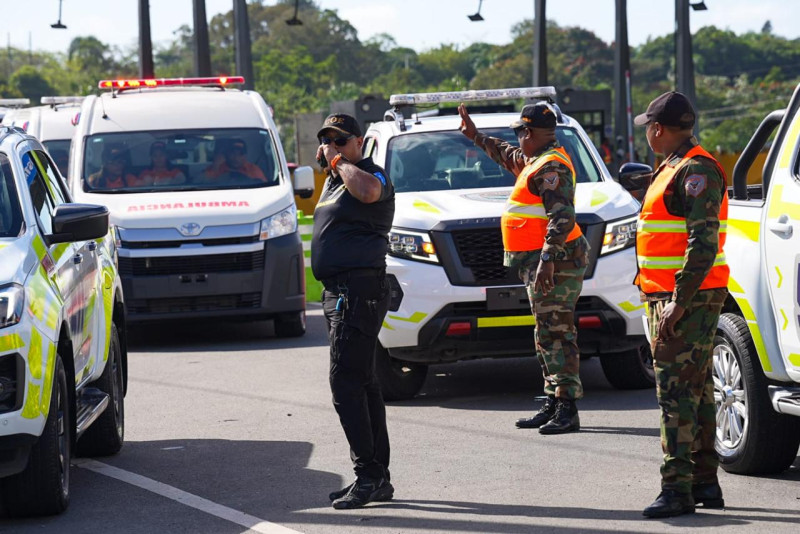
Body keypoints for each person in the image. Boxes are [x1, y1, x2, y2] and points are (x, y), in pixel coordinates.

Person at [458, 102, 588, 435]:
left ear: (529, 133)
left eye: (519, 134)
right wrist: (475, 136)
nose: (517, 141)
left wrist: (546, 261)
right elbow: (505, 154)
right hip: (541, 263)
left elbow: (562, 217)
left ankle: (566, 407)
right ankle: (553, 400)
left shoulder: (551, 167)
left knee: (558, 334)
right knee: (546, 334)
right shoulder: (535, 161)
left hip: (555, 263)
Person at [633, 91, 729, 518]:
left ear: (658, 129)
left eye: (648, 128)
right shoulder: (674, 166)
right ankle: (704, 482)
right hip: (676, 294)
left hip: (684, 297)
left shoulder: (695, 169)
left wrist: (677, 301)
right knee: (697, 388)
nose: (647, 135)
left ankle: (676, 489)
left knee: (674, 392)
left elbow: (702, 243)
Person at [310, 113, 396, 510]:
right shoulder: (332, 180)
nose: (332, 147)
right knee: (364, 382)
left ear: (359, 142)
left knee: (345, 384)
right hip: (339, 292)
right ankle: (377, 476)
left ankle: (368, 475)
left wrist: (341, 161)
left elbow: (367, 193)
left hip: (358, 291)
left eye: (340, 140)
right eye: (327, 141)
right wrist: (330, 165)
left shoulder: (369, 174)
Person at [202, 138, 266, 181]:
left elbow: (264, 189)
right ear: (226, 155)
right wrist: (215, 166)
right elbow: (202, 183)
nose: (236, 158)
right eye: (232, 154)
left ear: (245, 156)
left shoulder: (253, 170)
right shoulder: (217, 168)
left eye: (240, 154)